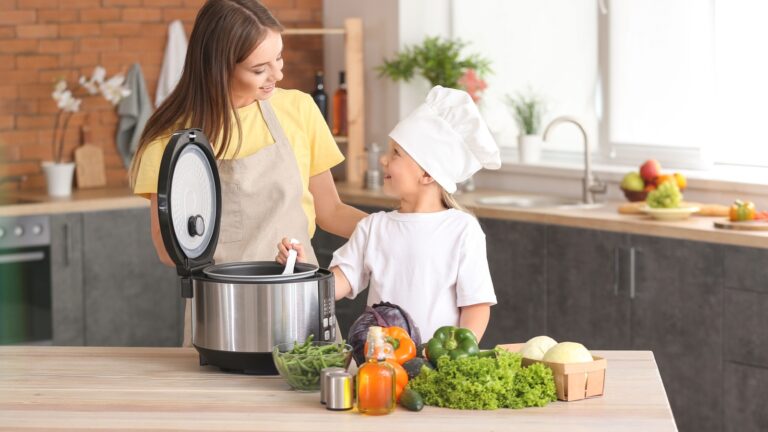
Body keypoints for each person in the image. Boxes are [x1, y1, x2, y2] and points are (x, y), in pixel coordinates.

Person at [129, 0, 366, 345]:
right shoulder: (172, 140)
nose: (278, 75)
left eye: (279, 58)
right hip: (222, 319)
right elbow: (170, 252)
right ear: (219, 67)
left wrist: (394, 230)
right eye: (260, 69)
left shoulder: (298, 109)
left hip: (303, 306)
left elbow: (330, 211)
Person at [278, 85, 500, 341]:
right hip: (379, 364)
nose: (383, 159)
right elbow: (338, 283)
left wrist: (458, 354)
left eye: (395, 153)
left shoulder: (462, 229)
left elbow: (476, 305)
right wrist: (302, 269)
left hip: (437, 365)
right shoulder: (373, 227)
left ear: (428, 173)